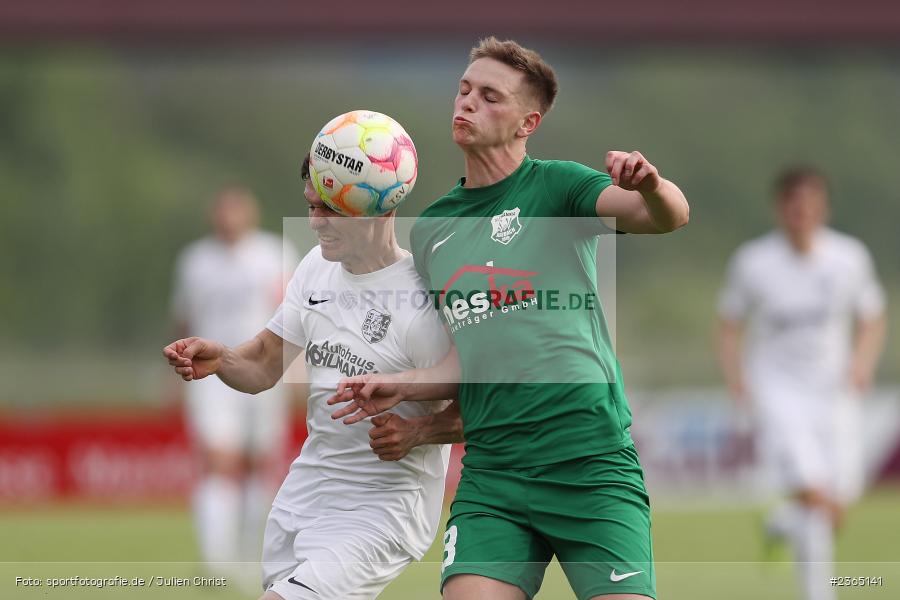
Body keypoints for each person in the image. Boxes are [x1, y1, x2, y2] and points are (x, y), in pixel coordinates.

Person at [329, 37, 689, 600]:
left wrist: (651, 184)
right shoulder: (434, 229)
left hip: (589, 463)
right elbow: (464, 357)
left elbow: (664, 217)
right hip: (494, 474)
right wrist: (400, 387)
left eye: (489, 96)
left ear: (528, 122)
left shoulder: (558, 188)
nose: (467, 102)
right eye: (464, 89)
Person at [165, 154, 463, 600]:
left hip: (381, 509)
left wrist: (418, 431)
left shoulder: (423, 298)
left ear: (379, 207)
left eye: (331, 208)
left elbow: (486, 405)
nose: (316, 222)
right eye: (310, 206)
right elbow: (265, 361)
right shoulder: (315, 267)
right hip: (304, 495)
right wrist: (223, 358)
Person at [716, 166, 886, 600]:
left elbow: (872, 315)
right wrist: (737, 378)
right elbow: (729, 323)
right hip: (778, 391)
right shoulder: (754, 261)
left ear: (823, 207)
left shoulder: (850, 257)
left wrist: (863, 364)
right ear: (780, 209)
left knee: (836, 503)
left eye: (809, 205)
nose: (801, 213)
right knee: (813, 494)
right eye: (793, 206)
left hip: (834, 392)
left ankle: (779, 523)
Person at [170, 187, 297, 574]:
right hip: (210, 373)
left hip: (263, 369)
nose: (229, 218)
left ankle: (248, 553)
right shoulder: (195, 260)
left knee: (260, 463)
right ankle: (217, 562)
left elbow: (293, 315)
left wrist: (297, 371)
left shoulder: (274, 253)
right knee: (219, 460)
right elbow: (184, 318)